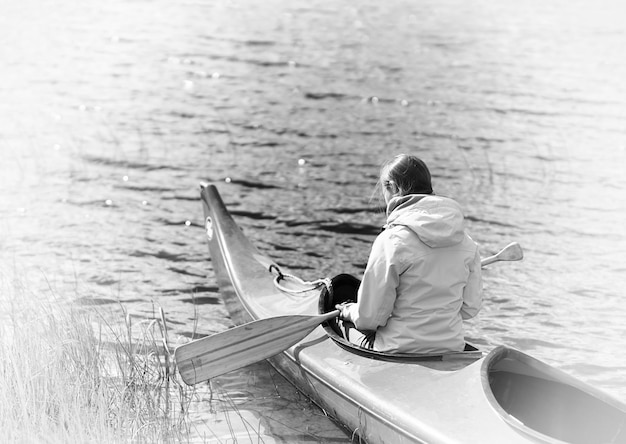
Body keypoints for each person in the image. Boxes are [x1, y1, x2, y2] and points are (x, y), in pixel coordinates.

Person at [335, 154, 482, 354]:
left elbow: (369, 320)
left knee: (337, 321)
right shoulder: (467, 243)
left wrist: (348, 310)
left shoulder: (391, 240)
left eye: (384, 190)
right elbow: (469, 308)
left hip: (395, 349)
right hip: (450, 348)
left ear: (394, 188)